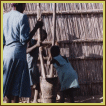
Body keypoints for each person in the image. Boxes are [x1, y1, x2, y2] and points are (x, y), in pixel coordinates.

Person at [3, 3, 43, 103]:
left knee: (7, 89)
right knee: (16, 89)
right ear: (21, 5)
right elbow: (24, 39)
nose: (25, 7)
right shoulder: (22, 17)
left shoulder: (4, 17)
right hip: (18, 55)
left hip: (5, 54)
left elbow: (3, 40)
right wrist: (36, 27)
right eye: (25, 5)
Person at [26, 29, 47, 103]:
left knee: (37, 83)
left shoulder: (39, 44)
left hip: (34, 65)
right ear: (39, 36)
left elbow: (45, 55)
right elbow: (26, 51)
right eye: (42, 38)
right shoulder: (30, 41)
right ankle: (28, 100)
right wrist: (36, 46)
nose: (43, 40)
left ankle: (35, 100)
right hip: (28, 66)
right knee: (29, 85)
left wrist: (43, 49)